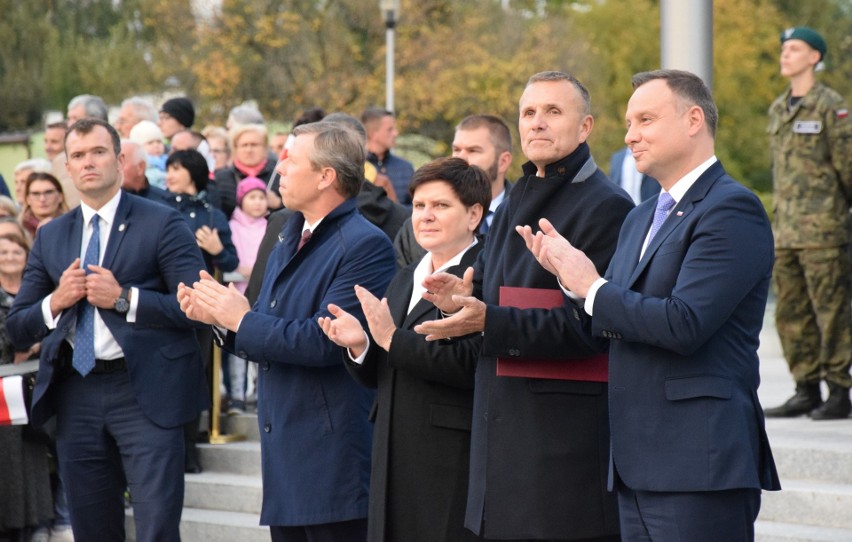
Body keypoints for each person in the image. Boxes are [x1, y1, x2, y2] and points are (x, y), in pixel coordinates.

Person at [518, 69, 781, 541]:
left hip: (698, 466)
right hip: (635, 465)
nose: (629, 136)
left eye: (645, 119)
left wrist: (593, 286)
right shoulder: (641, 216)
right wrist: (574, 286)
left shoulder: (731, 209)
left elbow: (685, 323)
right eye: (628, 122)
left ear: (693, 119)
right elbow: (615, 318)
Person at [415, 71, 633, 541]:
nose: (537, 123)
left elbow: (593, 326)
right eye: (529, 113)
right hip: (499, 439)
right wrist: (464, 300)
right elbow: (498, 302)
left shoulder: (607, 206)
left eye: (553, 112)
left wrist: (488, 319)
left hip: (560, 447)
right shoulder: (515, 195)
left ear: (586, 127)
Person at [177, 121, 396, 542]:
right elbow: (266, 326)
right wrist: (219, 320)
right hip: (287, 456)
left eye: (291, 159)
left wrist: (240, 319)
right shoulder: (289, 232)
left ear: (325, 175)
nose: (278, 170)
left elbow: (321, 340)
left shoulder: (364, 244)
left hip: (332, 460)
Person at [7, 118, 208, 542]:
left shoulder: (163, 222)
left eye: (98, 152)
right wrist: (56, 301)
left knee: (156, 527)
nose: (88, 163)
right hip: (75, 391)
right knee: (92, 528)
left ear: (119, 160)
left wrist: (125, 299)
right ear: (68, 167)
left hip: (147, 394)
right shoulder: (51, 236)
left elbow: (197, 308)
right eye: (77, 156)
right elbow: (18, 328)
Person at [319, 157, 489, 542]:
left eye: (441, 206)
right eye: (419, 206)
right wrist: (361, 345)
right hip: (392, 444)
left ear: (474, 214)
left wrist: (391, 338)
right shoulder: (406, 274)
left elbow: (470, 364)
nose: (426, 216)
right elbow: (385, 363)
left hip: (450, 453)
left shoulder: (487, 272)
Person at [763, 27, 852, 420]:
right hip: (786, 232)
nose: (785, 55)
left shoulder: (831, 106)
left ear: (815, 56)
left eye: (794, 48)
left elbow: (847, 168)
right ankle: (806, 388)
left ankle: (838, 390)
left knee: (831, 312)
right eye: (783, 48)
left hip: (824, 232)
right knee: (791, 314)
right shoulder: (778, 109)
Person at [394, 114, 514, 268]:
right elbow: (403, 284)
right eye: (456, 149)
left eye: (473, 150)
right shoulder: (415, 228)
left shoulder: (524, 218)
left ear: (503, 161)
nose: (461, 158)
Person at [0, 233, 54, 542]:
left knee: (34, 455)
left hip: (35, 385)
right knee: (7, 460)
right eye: (2, 252)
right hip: (4, 389)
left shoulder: (41, 292)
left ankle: (36, 522)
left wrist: (35, 347)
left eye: (15, 251)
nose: (9, 257)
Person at [224, 177, 269, 413]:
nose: (258, 202)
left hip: (262, 294)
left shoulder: (271, 226)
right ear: (241, 200)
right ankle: (237, 396)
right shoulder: (232, 227)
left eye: (262, 197)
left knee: (262, 348)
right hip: (239, 293)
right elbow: (230, 259)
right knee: (238, 349)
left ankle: (262, 395)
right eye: (252, 197)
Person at [214, 123, 277, 218]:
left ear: (265, 148)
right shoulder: (221, 177)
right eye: (244, 145)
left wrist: (278, 204)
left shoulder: (278, 175)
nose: (249, 149)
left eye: (254, 145)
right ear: (235, 149)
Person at [362, 108, 415, 206]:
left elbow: (416, 206)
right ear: (373, 134)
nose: (396, 133)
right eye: (390, 129)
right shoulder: (358, 168)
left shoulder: (405, 167)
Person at [20, 172, 69, 238]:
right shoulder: (18, 231)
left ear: (60, 196)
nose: (42, 199)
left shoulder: (75, 225)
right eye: (36, 194)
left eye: (48, 192)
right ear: (28, 199)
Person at [129, 120, 167, 188]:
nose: (156, 145)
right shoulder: (142, 165)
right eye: (150, 143)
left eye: (159, 141)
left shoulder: (168, 160)